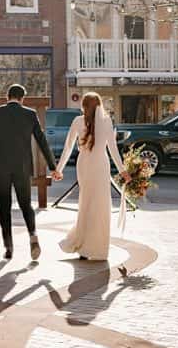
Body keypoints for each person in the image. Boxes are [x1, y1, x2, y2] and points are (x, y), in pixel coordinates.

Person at [52, 92, 130, 262]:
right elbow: (113, 149)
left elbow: (67, 148)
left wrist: (59, 169)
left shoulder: (77, 122)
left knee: (86, 203)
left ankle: (83, 246)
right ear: (100, 105)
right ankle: (98, 247)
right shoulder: (107, 121)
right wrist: (123, 171)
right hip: (101, 165)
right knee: (101, 205)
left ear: (84, 106)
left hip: (84, 164)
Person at [0, 84, 56, 261]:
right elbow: (41, 141)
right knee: (25, 204)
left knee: (4, 206)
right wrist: (52, 166)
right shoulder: (30, 114)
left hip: (1, 166)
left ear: (7, 97)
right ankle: (33, 235)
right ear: (22, 98)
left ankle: (8, 247)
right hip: (22, 166)